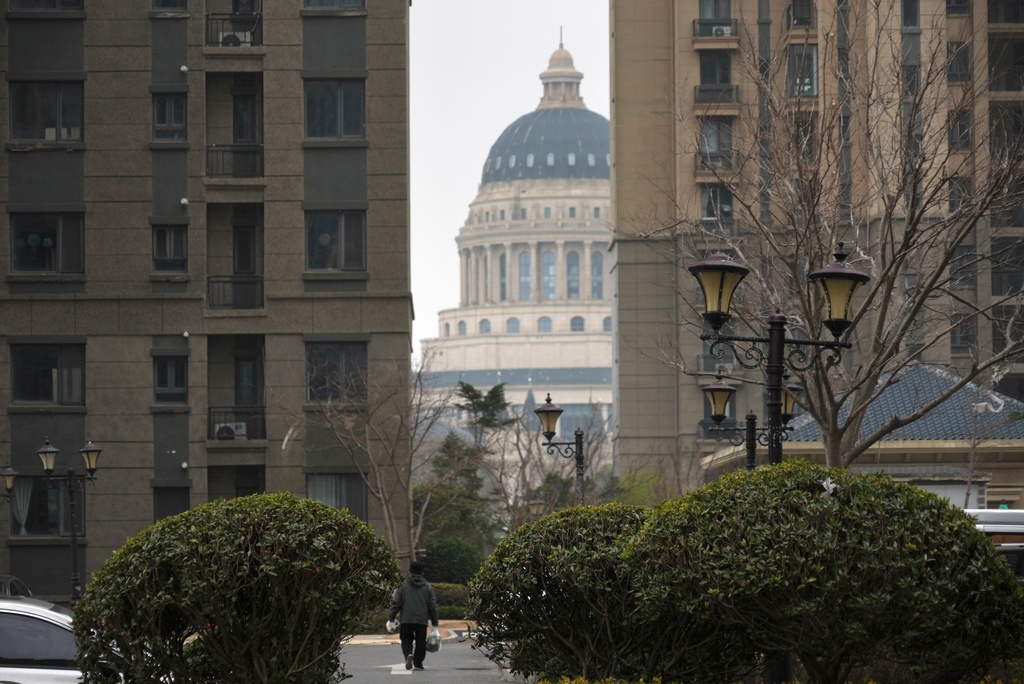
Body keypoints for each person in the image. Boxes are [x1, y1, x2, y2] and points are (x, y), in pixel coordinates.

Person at [387, 561, 440, 670]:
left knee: (406, 639)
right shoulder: (428, 587)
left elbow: (396, 603)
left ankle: (408, 655)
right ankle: (418, 663)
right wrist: (435, 622)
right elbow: (433, 606)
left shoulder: (403, 586)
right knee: (421, 642)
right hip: (421, 620)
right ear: (422, 572)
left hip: (406, 619)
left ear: (410, 571)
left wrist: (391, 617)